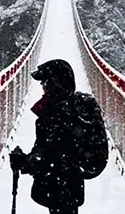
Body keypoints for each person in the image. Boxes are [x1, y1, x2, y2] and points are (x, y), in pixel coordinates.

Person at [9, 59, 84, 214]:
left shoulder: (61, 114)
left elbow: (50, 158)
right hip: (67, 187)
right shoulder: (60, 108)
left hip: (62, 188)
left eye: (45, 82)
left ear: (55, 83)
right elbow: (48, 153)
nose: (42, 86)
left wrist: (23, 162)